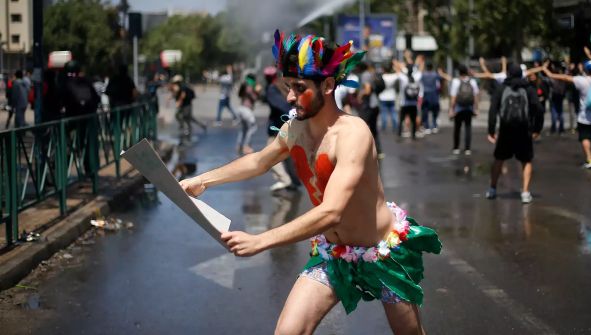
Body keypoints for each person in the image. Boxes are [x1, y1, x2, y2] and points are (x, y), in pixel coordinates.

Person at [179, 30, 441, 334]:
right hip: (333, 254)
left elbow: (332, 212)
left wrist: (261, 240)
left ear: (328, 85)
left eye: (299, 88)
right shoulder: (295, 129)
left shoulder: (353, 134)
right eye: (288, 86)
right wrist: (202, 180)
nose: (289, 96)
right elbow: (259, 161)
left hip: (381, 252)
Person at [485, 64, 544, 204]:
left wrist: (491, 131)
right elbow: (539, 109)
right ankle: (525, 192)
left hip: (506, 129)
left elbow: (493, 110)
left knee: (499, 158)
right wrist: (537, 129)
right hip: (524, 130)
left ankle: (492, 189)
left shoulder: (501, 88)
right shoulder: (528, 88)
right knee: (526, 160)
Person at [263, 65, 300, 191]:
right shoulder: (282, 86)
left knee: (268, 156)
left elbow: (282, 106)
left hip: (278, 128)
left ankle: (285, 179)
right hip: (287, 126)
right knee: (287, 155)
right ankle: (294, 181)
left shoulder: (272, 88)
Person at [449, 64, 479, 155]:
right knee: (468, 127)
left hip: (459, 107)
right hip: (469, 108)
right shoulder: (472, 82)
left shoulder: (455, 81)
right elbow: (475, 96)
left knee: (457, 128)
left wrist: (451, 109)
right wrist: (476, 108)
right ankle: (467, 149)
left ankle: (456, 147)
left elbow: (453, 97)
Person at [358, 62, 383, 158]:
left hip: (369, 106)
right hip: (375, 104)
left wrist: (360, 94)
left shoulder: (365, 75)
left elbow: (367, 90)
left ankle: (364, 152)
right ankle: (378, 151)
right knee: (373, 128)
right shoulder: (370, 74)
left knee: (361, 127)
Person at [236, 73, 261, 155]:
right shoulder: (249, 86)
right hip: (246, 110)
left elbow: (239, 95)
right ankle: (246, 146)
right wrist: (257, 92)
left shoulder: (244, 85)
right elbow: (254, 98)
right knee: (253, 127)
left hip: (241, 109)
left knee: (244, 129)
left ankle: (239, 145)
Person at [396, 59, 421, 139]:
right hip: (414, 103)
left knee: (401, 119)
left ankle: (399, 134)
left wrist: (397, 64)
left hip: (404, 103)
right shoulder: (416, 77)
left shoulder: (403, 78)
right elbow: (420, 71)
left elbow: (398, 70)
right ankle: (413, 134)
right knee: (413, 120)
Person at [378, 63, 400, 132]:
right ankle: (395, 126)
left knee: (384, 113)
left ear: (384, 69)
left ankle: (384, 127)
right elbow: (399, 72)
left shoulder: (382, 76)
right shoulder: (393, 76)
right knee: (393, 113)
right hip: (392, 97)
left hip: (383, 97)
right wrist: (395, 66)